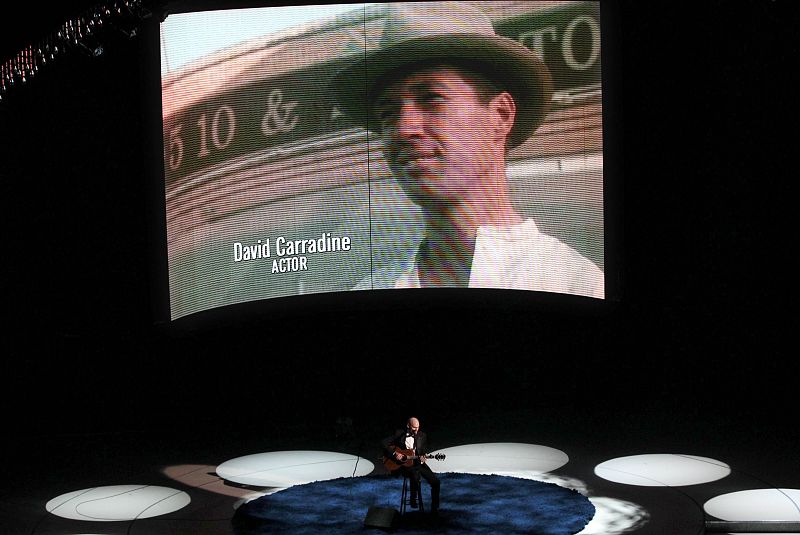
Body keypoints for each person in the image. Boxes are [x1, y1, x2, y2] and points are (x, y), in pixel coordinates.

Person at [331, 1, 604, 298]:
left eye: (431, 98)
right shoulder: (373, 289)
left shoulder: (574, 284)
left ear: (499, 116)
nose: (404, 128)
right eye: (388, 112)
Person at [381, 416, 440, 515]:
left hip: (418, 464)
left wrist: (422, 458)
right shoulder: (399, 434)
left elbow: (423, 452)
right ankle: (413, 498)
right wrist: (395, 454)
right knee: (414, 474)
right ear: (408, 426)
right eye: (414, 428)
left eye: (418, 427)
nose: (416, 430)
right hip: (403, 466)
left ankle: (434, 509)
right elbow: (383, 443)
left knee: (436, 482)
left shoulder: (422, 436)